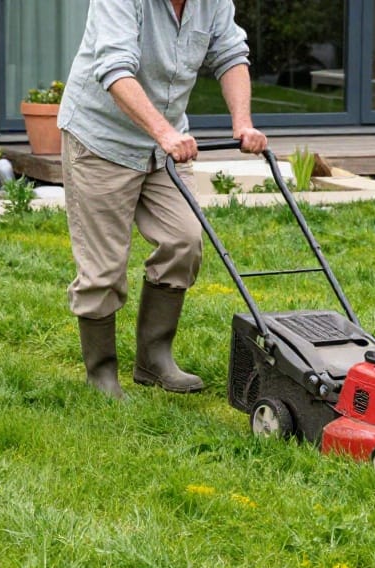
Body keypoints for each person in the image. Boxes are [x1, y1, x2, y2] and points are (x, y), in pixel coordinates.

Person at [57, 0, 267, 398]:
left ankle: (154, 361)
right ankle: (101, 374)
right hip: (102, 140)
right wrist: (164, 133)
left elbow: (230, 55)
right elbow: (115, 69)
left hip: (164, 147)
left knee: (184, 242)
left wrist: (242, 122)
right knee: (103, 269)